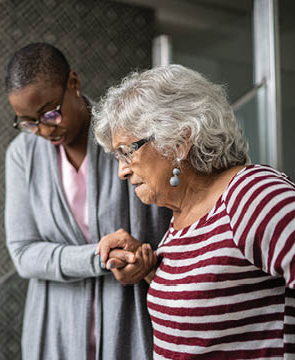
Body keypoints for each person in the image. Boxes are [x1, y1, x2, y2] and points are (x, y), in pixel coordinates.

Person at [93, 64, 295, 359]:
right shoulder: (180, 218)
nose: (122, 171)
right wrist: (148, 269)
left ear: (179, 141)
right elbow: (213, 304)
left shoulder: (251, 195)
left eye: (127, 151)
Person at [4, 43, 171, 360]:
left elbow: (172, 221)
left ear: (73, 83)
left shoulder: (128, 135)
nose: (43, 129)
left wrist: (146, 261)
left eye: (50, 113)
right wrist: (101, 258)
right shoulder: (21, 155)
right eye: (27, 122)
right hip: (55, 328)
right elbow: (24, 252)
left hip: (135, 319)